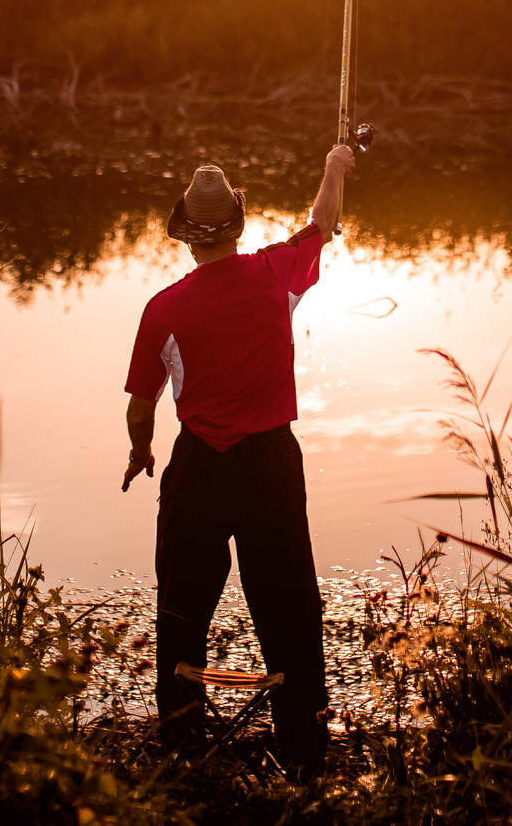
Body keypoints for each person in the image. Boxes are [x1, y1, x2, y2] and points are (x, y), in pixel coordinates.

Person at [121, 144, 354, 776]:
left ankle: (182, 747)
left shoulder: (162, 309)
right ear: (237, 227)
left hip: (197, 467)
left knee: (183, 609)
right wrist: (333, 169)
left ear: (187, 238)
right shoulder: (277, 272)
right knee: (290, 609)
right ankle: (305, 750)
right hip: (270, 463)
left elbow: (141, 408)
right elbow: (322, 226)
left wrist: (141, 452)